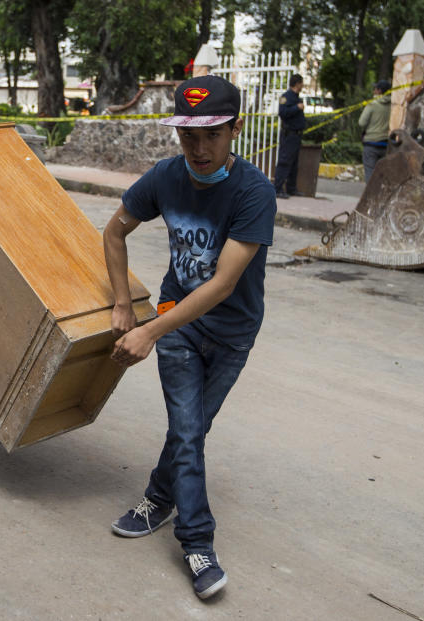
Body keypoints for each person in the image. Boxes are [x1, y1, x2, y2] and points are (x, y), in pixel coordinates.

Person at [103, 75, 276, 600]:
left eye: (213, 135)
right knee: (186, 426)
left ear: (235, 131)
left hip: (231, 331)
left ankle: (157, 498)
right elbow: (113, 232)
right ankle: (196, 541)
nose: (199, 149)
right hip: (178, 319)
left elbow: (224, 284)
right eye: (188, 136)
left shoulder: (253, 193)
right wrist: (119, 301)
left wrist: (148, 331)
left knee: (190, 431)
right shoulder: (164, 178)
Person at [273, 73, 305, 199]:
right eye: (302, 83)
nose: (303, 85)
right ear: (297, 84)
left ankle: (291, 188)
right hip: (289, 134)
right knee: (284, 161)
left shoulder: (297, 97)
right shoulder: (286, 97)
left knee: (294, 163)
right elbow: (282, 113)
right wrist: (296, 108)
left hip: (296, 135)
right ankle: (278, 188)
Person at [359, 79, 392, 182]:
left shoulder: (372, 104)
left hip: (371, 143)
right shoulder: (394, 105)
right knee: (382, 174)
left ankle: (370, 196)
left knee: (370, 172)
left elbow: (361, 123)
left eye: (375, 89)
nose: (373, 91)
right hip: (386, 144)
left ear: (379, 91)